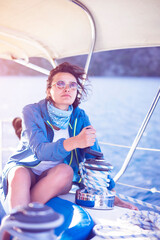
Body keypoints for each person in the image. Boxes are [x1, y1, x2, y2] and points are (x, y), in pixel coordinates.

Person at [1, 62, 138, 213]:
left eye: (72, 85)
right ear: (49, 90)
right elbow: (40, 151)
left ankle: (18, 221)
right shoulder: (31, 111)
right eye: (60, 84)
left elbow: (95, 156)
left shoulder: (80, 116)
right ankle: (14, 229)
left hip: (56, 177)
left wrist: (111, 193)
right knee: (18, 173)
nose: (67, 89)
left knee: (66, 170)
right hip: (27, 171)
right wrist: (76, 141)